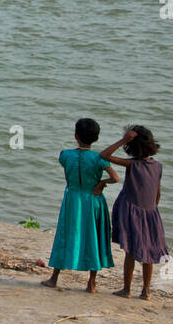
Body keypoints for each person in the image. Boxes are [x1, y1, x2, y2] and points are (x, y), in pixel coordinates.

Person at [42, 118, 117, 293]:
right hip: (93, 199)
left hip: (73, 198)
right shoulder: (99, 158)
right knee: (94, 236)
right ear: (96, 138)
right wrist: (101, 184)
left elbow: (68, 165)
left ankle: (54, 278)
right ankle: (91, 283)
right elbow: (115, 178)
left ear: (75, 135)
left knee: (65, 235)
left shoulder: (65, 154)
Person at [101, 126, 168, 300]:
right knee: (149, 254)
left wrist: (123, 140)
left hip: (132, 212)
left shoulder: (132, 164)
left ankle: (127, 290)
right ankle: (146, 291)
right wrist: (151, 212)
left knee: (130, 252)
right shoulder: (157, 166)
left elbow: (104, 155)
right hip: (151, 213)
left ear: (132, 146)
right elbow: (157, 192)